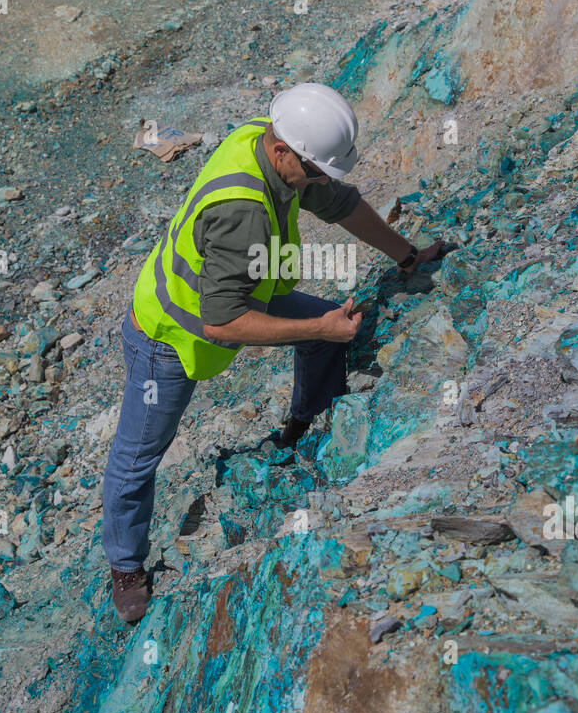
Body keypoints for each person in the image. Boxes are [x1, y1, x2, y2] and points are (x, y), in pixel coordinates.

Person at [101, 82, 448, 621]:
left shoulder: (267, 145)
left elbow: (342, 205)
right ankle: (125, 567)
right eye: (315, 171)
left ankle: (305, 429)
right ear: (284, 151)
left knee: (323, 328)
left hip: (247, 288)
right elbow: (220, 323)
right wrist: (322, 327)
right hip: (168, 334)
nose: (319, 182)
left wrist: (406, 256)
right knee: (138, 455)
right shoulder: (243, 210)